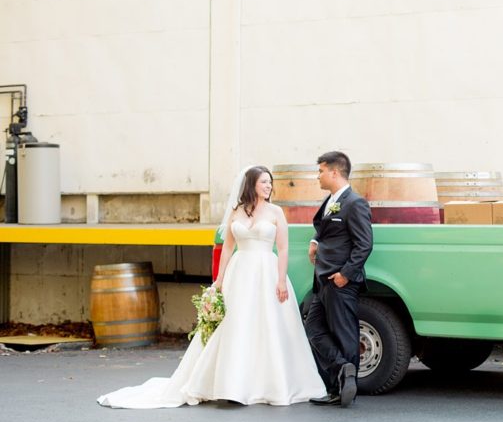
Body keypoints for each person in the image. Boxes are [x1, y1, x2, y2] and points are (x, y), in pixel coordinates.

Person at [97, 166, 326, 408]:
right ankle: (231, 384)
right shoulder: (237, 211)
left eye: (270, 183)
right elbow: (228, 247)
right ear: (251, 185)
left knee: (267, 325)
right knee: (235, 325)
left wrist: (281, 279)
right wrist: (219, 279)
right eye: (263, 182)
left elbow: (283, 248)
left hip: (266, 272)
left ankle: (270, 383)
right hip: (240, 273)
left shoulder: (276, 212)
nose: (268, 187)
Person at [304, 151, 373, 408]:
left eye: (321, 170)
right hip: (322, 281)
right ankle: (340, 371)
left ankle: (343, 390)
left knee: (344, 334)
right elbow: (323, 226)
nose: (318, 176)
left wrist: (346, 274)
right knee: (313, 329)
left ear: (334, 172)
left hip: (339, 280)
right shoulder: (330, 200)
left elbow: (364, 244)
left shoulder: (355, 203)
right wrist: (314, 240)